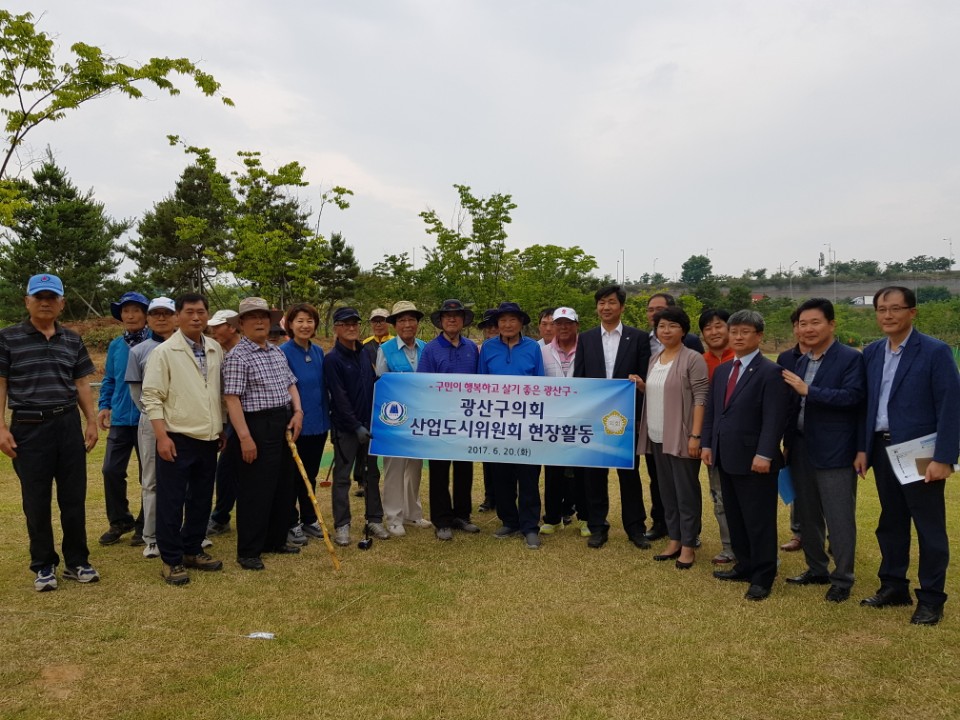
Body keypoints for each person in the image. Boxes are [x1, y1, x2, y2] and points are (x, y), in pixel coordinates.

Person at [855, 286, 960, 625]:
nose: (887, 315)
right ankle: (893, 585)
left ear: (912, 312)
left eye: (895, 308)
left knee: (928, 526)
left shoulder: (934, 351)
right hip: (883, 449)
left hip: (921, 451)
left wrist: (944, 458)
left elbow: (950, 407)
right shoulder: (871, 353)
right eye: (881, 309)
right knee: (891, 522)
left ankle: (931, 598)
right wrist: (862, 449)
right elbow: (867, 406)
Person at [0, 273, 100, 591]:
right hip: (28, 427)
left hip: (67, 423)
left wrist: (92, 421)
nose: (45, 302)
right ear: (27, 301)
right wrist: (0, 427)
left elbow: (82, 383)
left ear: (62, 303)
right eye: (39, 296)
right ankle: (44, 565)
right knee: (36, 500)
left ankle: (77, 561)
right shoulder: (7, 338)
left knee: (73, 498)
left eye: (51, 297)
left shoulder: (71, 339)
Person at [780, 298, 865, 604]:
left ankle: (843, 578)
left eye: (815, 322)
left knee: (839, 516)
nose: (808, 329)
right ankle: (816, 568)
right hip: (801, 446)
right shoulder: (801, 361)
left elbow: (853, 398)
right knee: (807, 514)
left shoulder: (850, 359)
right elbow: (792, 407)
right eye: (803, 324)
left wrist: (809, 390)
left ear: (831, 324)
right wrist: (787, 444)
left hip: (835, 450)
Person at [702, 310, 790, 602]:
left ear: (759, 336)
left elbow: (774, 418)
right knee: (736, 516)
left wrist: (765, 453)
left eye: (745, 332)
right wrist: (707, 444)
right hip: (725, 456)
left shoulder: (770, 371)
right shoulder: (725, 369)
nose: (738, 337)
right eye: (734, 332)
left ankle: (763, 576)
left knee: (759, 519)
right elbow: (714, 412)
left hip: (756, 460)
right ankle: (744, 564)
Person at [141, 293, 226, 585]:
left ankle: (192, 548)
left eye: (201, 312)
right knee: (172, 500)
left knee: (201, 498)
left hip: (208, 437)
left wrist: (222, 427)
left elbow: (218, 393)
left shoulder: (214, 348)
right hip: (176, 437)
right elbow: (151, 397)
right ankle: (171, 559)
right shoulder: (164, 352)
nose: (196, 317)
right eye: (189, 312)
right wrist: (161, 437)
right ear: (178, 316)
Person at [222, 297, 304, 570]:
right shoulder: (237, 356)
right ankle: (249, 550)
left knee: (283, 484)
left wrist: (298, 412)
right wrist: (244, 437)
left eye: (263, 317)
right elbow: (232, 399)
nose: (259, 321)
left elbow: (291, 384)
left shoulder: (276, 351)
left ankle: (275, 540)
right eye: (252, 317)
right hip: (255, 425)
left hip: (283, 421)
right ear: (241, 324)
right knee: (255, 489)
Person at [573, 284, 651, 550]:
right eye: (601, 303)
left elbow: (644, 380)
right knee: (594, 475)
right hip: (595, 419)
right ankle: (597, 526)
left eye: (611, 302)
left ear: (622, 307)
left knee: (629, 475)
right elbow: (579, 378)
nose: (605, 307)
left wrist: (640, 413)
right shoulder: (586, 338)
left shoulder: (638, 338)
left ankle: (636, 528)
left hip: (626, 419)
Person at [637, 306, 708, 569]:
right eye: (661, 326)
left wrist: (695, 435)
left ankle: (689, 545)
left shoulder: (692, 358)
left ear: (683, 330)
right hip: (656, 435)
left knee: (686, 492)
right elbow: (658, 391)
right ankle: (674, 539)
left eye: (672, 326)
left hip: (681, 436)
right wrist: (642, 386)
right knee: (666, 491)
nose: (666, 331)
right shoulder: (655, 359)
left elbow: (701, 397)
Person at [478, 301, 546, 549]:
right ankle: (509, 521)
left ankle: (530, 526)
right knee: (501, 475)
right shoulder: (487, 348)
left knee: (528, 475)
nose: (507, 324)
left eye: (512, 320)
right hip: (497, 423)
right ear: (496, 324)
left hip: (526, 423)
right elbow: (480, 384)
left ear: (521, 323)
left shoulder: (532, 348)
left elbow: (540, 384)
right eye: (502, 320)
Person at [325, 307, 389, 546]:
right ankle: (342, 525)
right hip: (346, 429)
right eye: (345, 324)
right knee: (342, 478)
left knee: (371, 474)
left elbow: (371, 384)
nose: (351, 328)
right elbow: (339, 398)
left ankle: (374, 519)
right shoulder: (332, 359)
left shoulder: (363, 353)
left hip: (370, 424)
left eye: (354, 323)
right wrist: (355, 426)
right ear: (336, 329)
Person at [418, 299, 481, 541]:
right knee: (439, 472)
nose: (452, 319)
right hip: (440, 421)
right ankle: (442, 520)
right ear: (441, 321)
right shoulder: (431, 349)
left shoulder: (472, 348)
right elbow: (423, 385)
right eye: (447, 316)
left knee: (464, 469)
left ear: (463, 320)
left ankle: (462, 515)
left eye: (456, 315)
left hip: (467, 420)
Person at [125, 296, 178, 560]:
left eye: (166, 313)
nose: (161, 318)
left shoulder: (190, 347)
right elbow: (137, 393)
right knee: (152, 480)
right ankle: (152, 537)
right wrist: (156, 416)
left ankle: (191, 531)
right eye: (155, 314)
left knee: (187, 477)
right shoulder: (138, 351)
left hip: (185, 421)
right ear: (148, 319)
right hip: (151, 422)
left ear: (175, 317)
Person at [98, 291, 150, 547]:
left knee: (148, 474)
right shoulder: (116, 346)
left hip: (148, 418)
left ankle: (145, 523)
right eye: (126, 311)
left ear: (145, 314)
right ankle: (120, 520)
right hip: (120, 418)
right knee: (110, 470)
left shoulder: (157, 342)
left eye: (136, 310)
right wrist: (104, 405)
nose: (130, 315)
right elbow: (109, 379)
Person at [376, 301, 430, 535]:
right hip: (395, 420)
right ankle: (394, 516)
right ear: (395, 325)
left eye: (411, 320)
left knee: (415, 467)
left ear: (417, 323)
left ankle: (413, 514)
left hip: (420, 419)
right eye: (402, 320)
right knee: (395, 468)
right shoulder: (385, 349)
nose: (407, 324)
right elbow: (380, 383)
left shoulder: (425, 348)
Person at [280, 303, 330, 546]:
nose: (305, 325)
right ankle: (291, 521)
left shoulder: (319, 351)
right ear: (290, 324)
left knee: (310, 473)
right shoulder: (283, 352)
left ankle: (310, 519)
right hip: (296, 424)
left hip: (319, 424)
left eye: (309, 321)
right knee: (292, 476)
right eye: (299, 320)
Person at [539, 307, 589, 537]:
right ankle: (552, 518)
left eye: (568, 323)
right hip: (551, 421)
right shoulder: (542, 351)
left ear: (576, 325)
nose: (563, 327)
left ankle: (586, 518)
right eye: (559, 323)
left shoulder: (589, 349)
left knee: (583, 471)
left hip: (582, 420)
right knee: (553, 471)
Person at [699, 309, 735, 564]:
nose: (713, 332)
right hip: (713, 442)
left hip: (744, 441)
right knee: (719, 496)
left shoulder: (743, 359)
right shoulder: (700, 362)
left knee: (749, 499)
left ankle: (757, 548)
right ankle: (729, 546)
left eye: (718, 326)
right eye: (708, 328)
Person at [206, 309, 241, 538]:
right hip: (224, 419)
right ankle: (221, 515)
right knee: (226, 469)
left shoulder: (243, 351)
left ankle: (220, 516)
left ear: (232, 326)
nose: (212, 330)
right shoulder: (216, 351)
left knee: (229, 468)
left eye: (218, 326)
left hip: (248, 418)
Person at [777, 310, 807, 553]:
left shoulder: (843, 357)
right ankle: (798, 533)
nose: (803, 329)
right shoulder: (786, 358)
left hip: (830, 437)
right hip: (794, 433)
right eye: (798, 324)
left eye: (810, 323)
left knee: (831, 491)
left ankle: (831, 535)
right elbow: (783, 401)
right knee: (796, 482)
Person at [355, 308, 393, 498]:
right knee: (364, 443)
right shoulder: (364, 345)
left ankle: (386, 481)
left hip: (390, 400)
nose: (378, 324)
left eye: (382, 320)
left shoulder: (393, 344)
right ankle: (361, 479)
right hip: (368, 398)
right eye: (375, 321)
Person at [475, 308, 498, 514]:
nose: (490, 331)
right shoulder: (479, 349)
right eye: (487, 328)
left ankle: (506, 496)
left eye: (493, 327)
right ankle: (490, 496)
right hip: (487, 410)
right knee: (489, 457)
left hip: (513, 410)